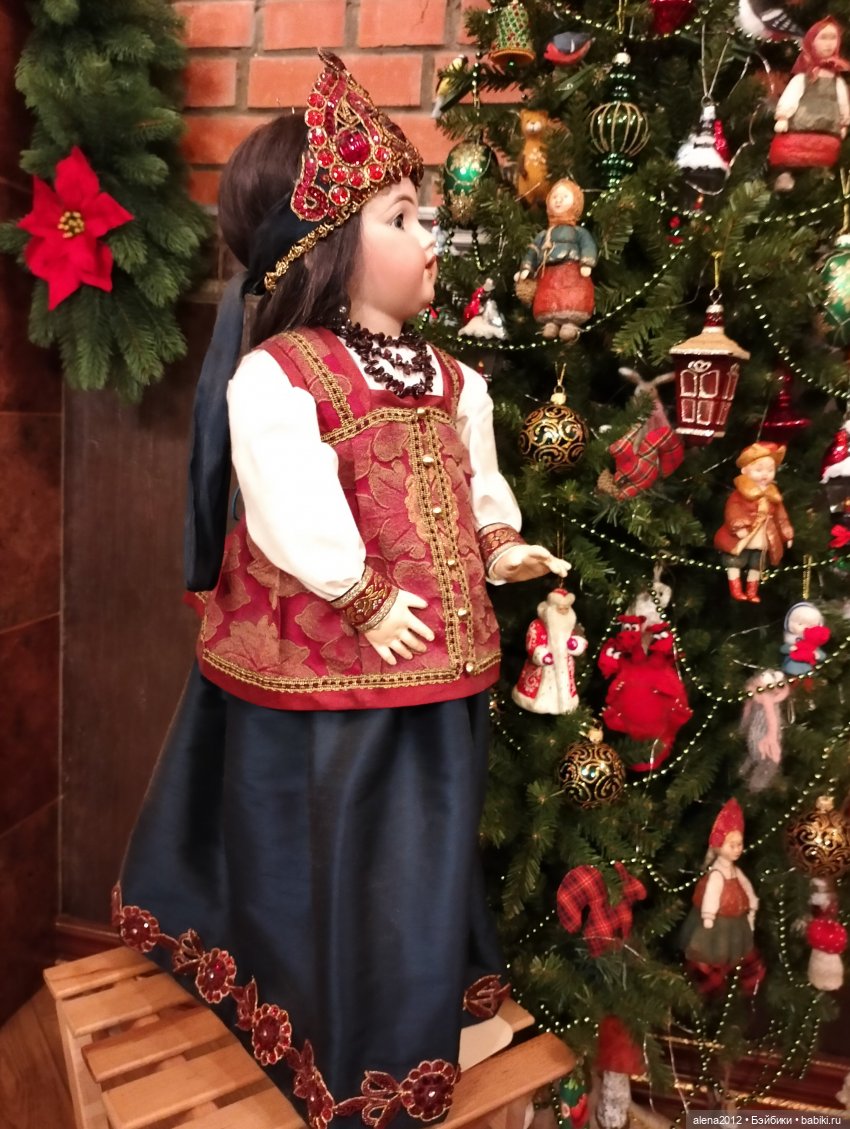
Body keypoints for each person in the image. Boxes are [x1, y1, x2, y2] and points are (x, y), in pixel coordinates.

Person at [112, 50, 569, 1129]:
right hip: (333, 675)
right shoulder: (284, 373)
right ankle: (351, 1029)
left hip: (442, 661)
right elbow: (283, 494)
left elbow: (476, 476)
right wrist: (359, 591)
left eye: (423, 215)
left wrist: (499, 540)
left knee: (431, 833)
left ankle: (423, 1003)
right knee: (345, 841)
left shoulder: (455, 378)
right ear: (323, 244)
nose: (430, 238)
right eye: (402, 217)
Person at [679, 799, 765, 996]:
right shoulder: (717, 874)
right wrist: (708, 916)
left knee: (734, 946)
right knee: (715, 948)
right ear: (719, 846)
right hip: (717, 924)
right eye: (731, 845)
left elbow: (746, 885)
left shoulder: (735, 871)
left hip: (736, 921)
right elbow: (712, 893)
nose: (737, 849)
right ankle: (713, 981)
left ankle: (729, 978)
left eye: (739, 844)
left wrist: (752, 901)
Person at [769, 16, 850, 189]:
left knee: (823, 156)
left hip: (827, 129)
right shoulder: (803, 78)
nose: (829, 44)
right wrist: (783, 116)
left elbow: (843, 103)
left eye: (833, 38)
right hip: (800, 126)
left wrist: (844, 122)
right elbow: (791, 95)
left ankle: (821, 176)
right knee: (790, 153)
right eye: (823, 38)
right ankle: (786, 174)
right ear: (812, 42)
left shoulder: (837, 81)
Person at [514, 177, 597, 342]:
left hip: (571, 271)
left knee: (571, 297)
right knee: (548, 298)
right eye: (555, 197)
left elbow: (587, 244)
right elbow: (533, 251)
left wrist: (587, 262)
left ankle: (570, 324)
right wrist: (526, 268)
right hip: (548, 274)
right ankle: (550, 323)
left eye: (564, 197)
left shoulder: (578, 232)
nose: (558, 201)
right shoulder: (544, 235)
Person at [713, 441, 794, 604]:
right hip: (745, 535)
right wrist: (738, 526)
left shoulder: (773, 496)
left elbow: (781, 517)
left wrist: (787, 534)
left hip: (764, 535)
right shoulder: (740, 494)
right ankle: (736, 589)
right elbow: (733, 509)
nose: (765, 474)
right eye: (759, 470)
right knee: (735, 561)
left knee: (757, 564)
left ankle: (752, 591)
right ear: (745, 471)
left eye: (770, 470)